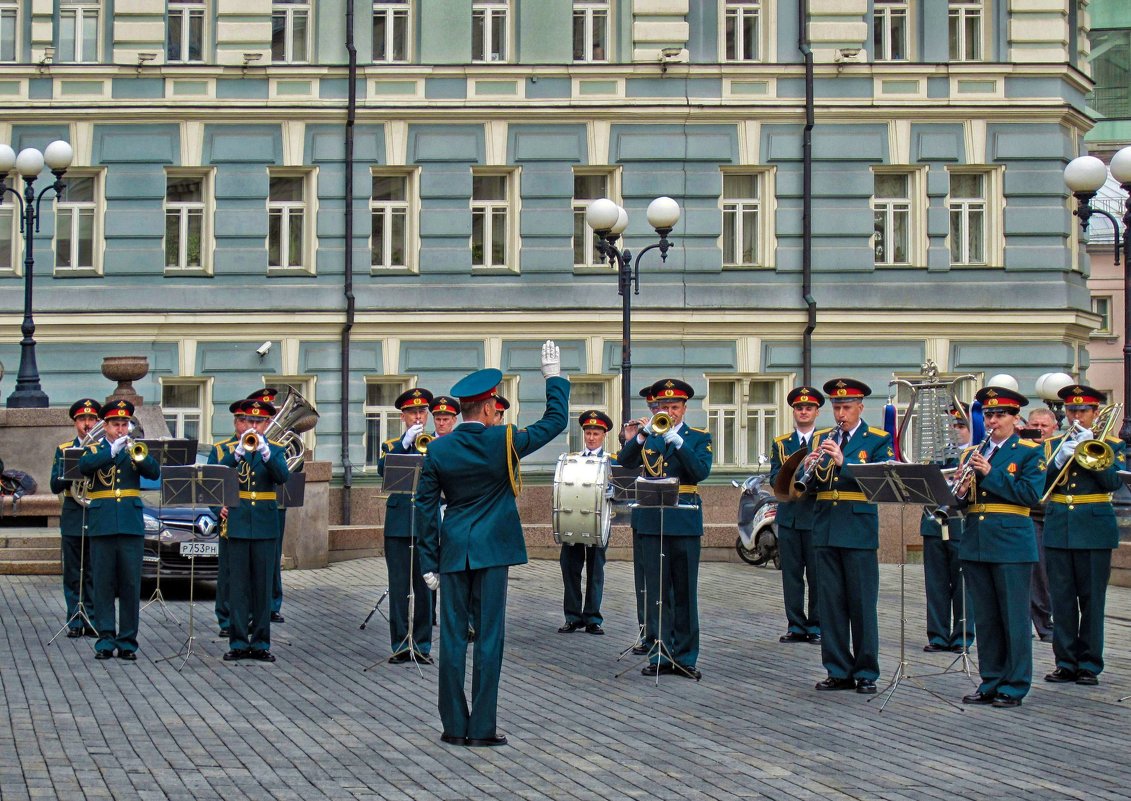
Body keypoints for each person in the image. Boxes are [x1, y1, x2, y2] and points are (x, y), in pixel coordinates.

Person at [416, 342, 568, 748]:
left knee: (450, 640)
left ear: (462, 409)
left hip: (452, 552)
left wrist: (428, 562)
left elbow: (425, 508)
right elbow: (555, 422)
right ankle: (481, 728)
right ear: (487, 409)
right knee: (488, 639)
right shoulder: (503, 440)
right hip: (492, 551)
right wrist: (553, 377)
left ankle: (452, 725)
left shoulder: (438, 448)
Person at [619, 378, 714, 680]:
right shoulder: (651, 437)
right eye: (664, 407)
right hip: (652, 520)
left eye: (674, 407)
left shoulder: (698, 438)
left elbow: (700, 472)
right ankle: (659, 653)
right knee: (657, 593)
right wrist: (639, 436)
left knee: (685, 591)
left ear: (685, 408)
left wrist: (679, 442)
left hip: (684, 520)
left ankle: (685, 656)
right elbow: (624, 462)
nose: (669, 412)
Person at [957, 385, 1044, 708]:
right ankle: (991, 679)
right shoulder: (972, 453)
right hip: (977, 540)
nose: (993, 420)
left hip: (1011, 542)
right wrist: (960, 491)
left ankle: (1015, 683)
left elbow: (1029, 496)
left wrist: (990, 473)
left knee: (1013, 616)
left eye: (1000, 415)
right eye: (988, 414)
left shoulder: (1029, 451)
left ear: (1014, 417)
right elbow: (960, 503)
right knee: (987, 617)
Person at [808, 378, 893, 695]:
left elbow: (881, 481)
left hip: (858, 529)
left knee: (861, 604)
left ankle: (867, 670)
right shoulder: (820, 438)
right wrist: (808, 468)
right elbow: (811, 485)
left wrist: (844, 465)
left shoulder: (877, 440)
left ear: (861, 407)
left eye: (846, 407)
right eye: (836, 407)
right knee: (831, 606)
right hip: (826, 527)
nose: (840, 413)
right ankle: (837, 669)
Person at [1041, 384, 1126, 686]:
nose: (1075, 415)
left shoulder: (1112, 445)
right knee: (1062, 600)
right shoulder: (1052, 445)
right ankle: (1065, 662)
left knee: (1092, 601)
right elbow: (1040, 485)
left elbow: (1112, 482)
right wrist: (1062, 458)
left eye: (1082, 410)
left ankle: (1089, 663)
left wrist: (1091, 449)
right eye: (1071, 410)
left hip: (1093, 529)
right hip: (1060, 528)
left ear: (1095, 413)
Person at [79, 399, 161, 660]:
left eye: (124, 424)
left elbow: (153, 471)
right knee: (103, 584)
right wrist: (111, 452)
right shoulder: (93, 449)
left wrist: (138, 453)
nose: (121, 430)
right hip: (102, 524)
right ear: (105, 426)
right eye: (116, 425)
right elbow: (84, 468)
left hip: (130, 524)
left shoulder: (135, 448)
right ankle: (105, 640)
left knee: (129, 584)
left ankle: (127, 642)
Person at [219, 399, 290, 663]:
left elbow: (282, 477)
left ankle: (260, 643)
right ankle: (237, 642)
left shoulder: (277, 449)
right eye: (249, 421)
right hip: (238, 524)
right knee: (237, 588)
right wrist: (237, 453)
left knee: (262, 587)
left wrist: (266, 453)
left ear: (268, 423)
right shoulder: (232, 449)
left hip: (264, 524)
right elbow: (219, 475)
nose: (253, 426)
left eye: (259, 422)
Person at [378, 387, 436, 663]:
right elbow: (382, 470)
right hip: (399, 523)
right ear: (403, 416)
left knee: (425, 588)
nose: (417, 417)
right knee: (399, 587)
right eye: (412, 412)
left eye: (422, 412)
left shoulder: (437, 443)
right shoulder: (390, 445)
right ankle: (401, 644)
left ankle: (423, 645)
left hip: (426, 525)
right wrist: (404, 444)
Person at [768, 386, 824, 645]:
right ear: (794, 411)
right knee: (791, 574)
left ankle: (816, 625)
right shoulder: (781, 443)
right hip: (789, 515)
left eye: (809, 408)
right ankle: (795, 625)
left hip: (814, 515)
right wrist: (785, 481)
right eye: (799, 408)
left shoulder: (825, 442)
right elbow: (774, 475)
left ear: (816, 412)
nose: (804, 411)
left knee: (816, 575)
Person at [920, 404, 975, 653]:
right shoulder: (938, 455)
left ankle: (962, 635)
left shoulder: (976, 456)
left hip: (961, 525)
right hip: (934, 523)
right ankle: (938, 635)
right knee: (936, 583)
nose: (955, 431)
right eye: (951, 426)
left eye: (961, 426)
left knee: (963, 583)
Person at [558, 410, 614, 636]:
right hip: (574, 521)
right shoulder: (573, 460)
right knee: (570, 569)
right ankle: (572, 617)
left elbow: (623, 489)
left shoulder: (611, 461)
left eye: (596, 433)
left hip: (598, 523)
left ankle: (592, 617)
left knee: (595, 570)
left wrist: (613, 491)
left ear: (604, 435)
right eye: (588, 433)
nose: (591, 437)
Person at [50, 398, 101, 637]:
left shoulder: (103, 450)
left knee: (93, 570)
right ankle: (74, 619)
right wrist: (69, 473)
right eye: (83, 420)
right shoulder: (64, 450)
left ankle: (92, 618)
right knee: (73, 571)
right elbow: (53, 485)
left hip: (97, 513)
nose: (87, 424)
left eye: (92, 419)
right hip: (73, 513)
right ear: (75, 422)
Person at [247, 387, 288, 624]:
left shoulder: (277, 444)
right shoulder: (239, 446)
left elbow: (287, 472)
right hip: (248, 510)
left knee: (272, 558)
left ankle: (272, 603)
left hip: (273, 505)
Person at [627, 384, 661, 653]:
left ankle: (663, 635)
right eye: (652, 408)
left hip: (670, 514)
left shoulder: (675, 435)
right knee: (644, 581)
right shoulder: (644, 434)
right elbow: (627, 464)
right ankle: (646, 633)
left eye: (658, 408)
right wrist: (634, 437)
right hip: (644, 515)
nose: (656, 412)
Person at [1025, 406, 1058, 643]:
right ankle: (1043, 624)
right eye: (1034, 425)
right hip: (1032, 515)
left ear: (1054, 427)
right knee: (1039, 574)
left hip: (1056, 515)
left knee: (1053, 574)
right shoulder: (1023, 448)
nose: (1038, 429)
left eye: (1043, 426)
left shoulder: (1061, 446)